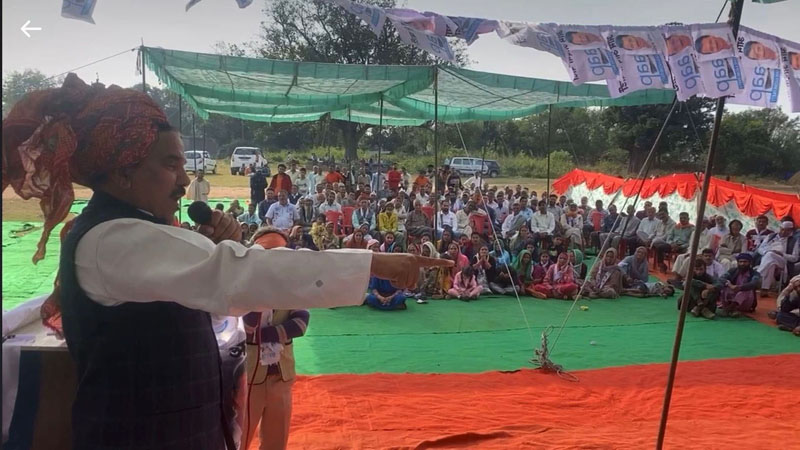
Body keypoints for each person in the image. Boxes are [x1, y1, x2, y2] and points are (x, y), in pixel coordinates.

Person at [2, 74, 451, 450]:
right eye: (171, 164)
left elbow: (213, 290)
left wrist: (216, 249)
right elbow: (240, 276)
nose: (184, 182)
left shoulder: (135, 232)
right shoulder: (114, 238)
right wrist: (374, 263)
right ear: (122, 173)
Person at [242, 230, 309, 450]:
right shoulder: (243, 288)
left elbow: (300, 325)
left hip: (281, 374)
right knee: (239, 438)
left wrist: (263, 335)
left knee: (277, 440)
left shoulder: (291, 288)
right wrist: (260, 295)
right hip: (249, 377)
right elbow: (245, 327)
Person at [756, 221, 800, 295]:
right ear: (780, 228)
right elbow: (760, 249)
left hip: (782, 261)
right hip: (768, 259)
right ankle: (765, 289)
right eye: (782, 229)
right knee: (771, 263)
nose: (784, 232)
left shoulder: (794, 241)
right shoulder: (770, 236)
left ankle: (758, 273)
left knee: (770, 255)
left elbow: (795, 258)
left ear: (791, 231)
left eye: (787, 230)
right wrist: (766, 252)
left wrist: (782, 254)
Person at [718, 253, 761, 317]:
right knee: (724, 286)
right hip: (731, 297)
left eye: (745, 262)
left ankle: (730, 309)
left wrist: (739, 287)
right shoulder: (733, 271)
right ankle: (731, 309)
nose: (742, 264)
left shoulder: (755, 274)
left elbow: (753, 284)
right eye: (740, 262)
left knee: (747, 290)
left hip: (745, 303)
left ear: (750, 263)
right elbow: (721, 278)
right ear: (737, 262)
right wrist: (730, 285)